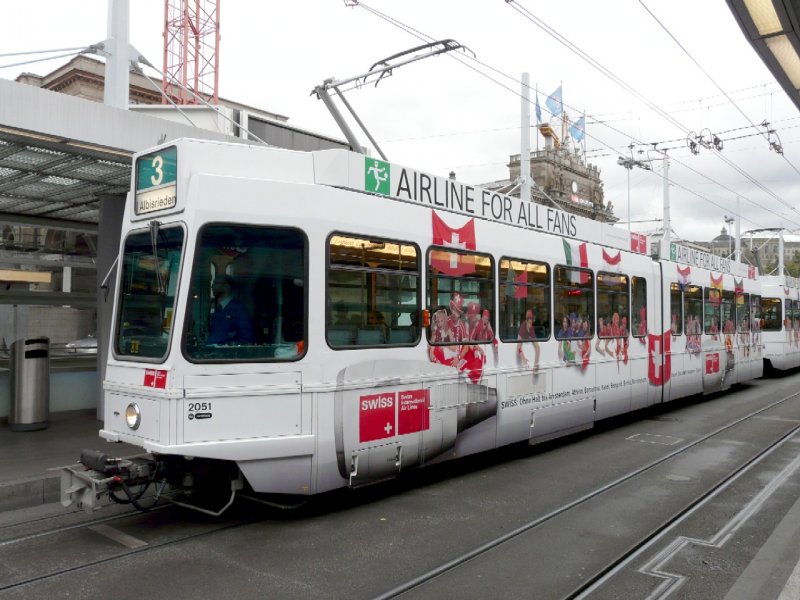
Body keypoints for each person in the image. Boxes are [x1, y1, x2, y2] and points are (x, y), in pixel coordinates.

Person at [208, 274, 254, 345]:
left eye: (216, 283)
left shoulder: (238, 308)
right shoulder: (218, 309)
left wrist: (228, 345)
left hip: (227, 353)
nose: (212, 286)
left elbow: (246, 337)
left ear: (227, 286)